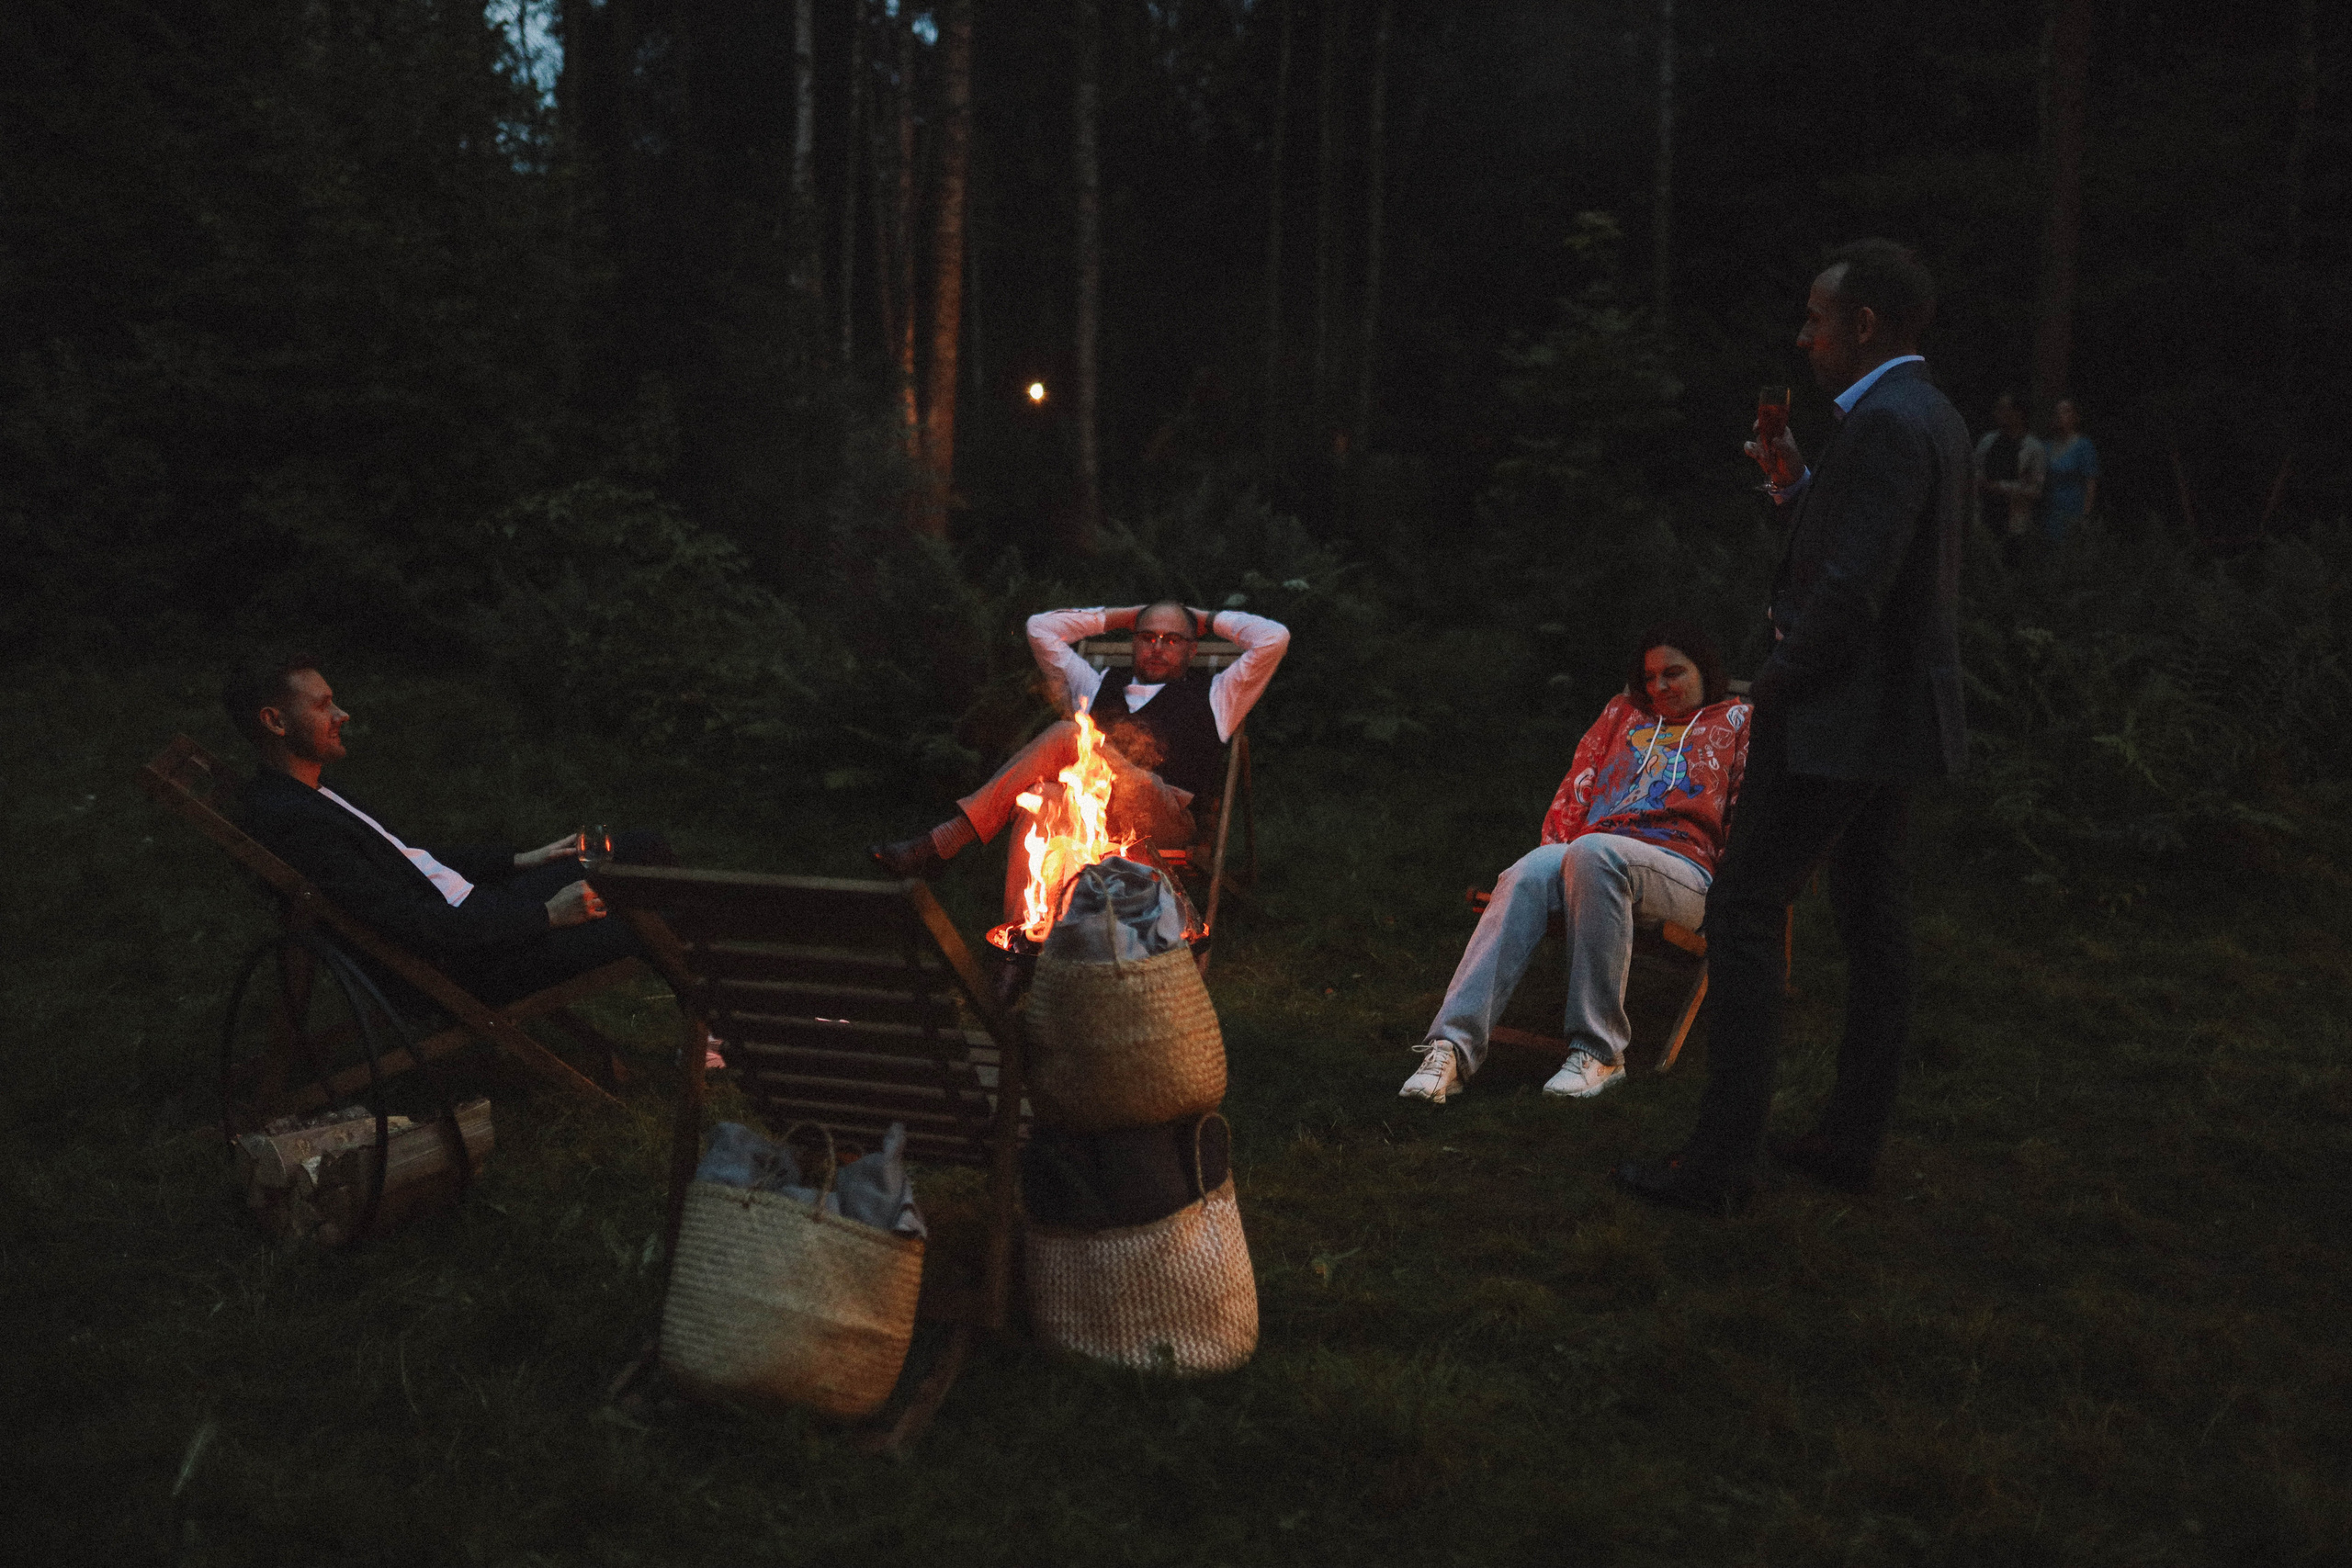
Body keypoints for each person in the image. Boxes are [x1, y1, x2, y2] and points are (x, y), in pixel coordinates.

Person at [1616, 239, 1969, 1215]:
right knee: (1870, 923)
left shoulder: (1891, 423)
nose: (1802, 337)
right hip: (1888, 716)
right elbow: (1855, 545)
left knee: (1742, 909)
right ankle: (1847, 1143)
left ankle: (1721, 1162)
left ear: (1862, 325)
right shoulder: (1919, 414)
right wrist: (1789, 484)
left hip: (1840, 715)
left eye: (1816, 319)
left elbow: (1853, 590)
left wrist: (1769, 686)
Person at [1399, 625, 1749, 1104]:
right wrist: (1554, 862)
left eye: (1674, 673)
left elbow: (1748, 812)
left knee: (1592, 851)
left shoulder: (1738, 719)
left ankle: (1599, 1051)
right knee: (1532, 868)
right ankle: (1450, 1049)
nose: (1659, 687)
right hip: (1598, 857)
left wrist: (1737, 898)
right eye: (1649, 678)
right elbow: (1579, 785)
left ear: (1704, 672)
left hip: (1685, 871)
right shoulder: (1620, 712)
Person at [222, 653, 677, 1011]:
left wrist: (520, 860)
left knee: (641, 847)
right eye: (323, 706)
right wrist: (547, 915)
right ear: (275, 721)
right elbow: (413, 926)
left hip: (480, 911)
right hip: (475, 961)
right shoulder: (295, 822)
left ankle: (712, 1029)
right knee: (665, 910)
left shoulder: (310, 791)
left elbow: (408, 859)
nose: (342, 714)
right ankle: (717, 1037)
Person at [870, 600, 1289, 917]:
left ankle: (945, 840)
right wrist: (1129, 614)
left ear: (1192, 651)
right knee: (1040, 803)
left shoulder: (1219, 695)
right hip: (1091, 814)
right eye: (1147, 637)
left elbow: (1274, 638)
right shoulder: (1097, 682)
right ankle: (1020, 947)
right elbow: (1041, 628)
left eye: (1173, 639)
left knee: (1073, 734)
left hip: (1162, 818)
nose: (1158, 647)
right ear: (1133, 642)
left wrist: (1203, 617)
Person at [1972, 390, 2046, 570]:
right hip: (1984, 518)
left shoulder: (2033, 448)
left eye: (2003, 409)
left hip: (2014, 523)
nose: (1997, 413)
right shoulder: (1988, 441)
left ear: (2018, 413)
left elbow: (2036, 490)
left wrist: (1999, 487)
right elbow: (1975, 470)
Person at [2041, 397, 2099, 546]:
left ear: (2076, 417)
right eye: (2057, 412)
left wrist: (2085, 515)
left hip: (2074, 509)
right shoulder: (2046, 447)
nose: (2060, 415)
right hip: (2051, 511)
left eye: (2066, 411)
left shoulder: (2083, 446)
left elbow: (2091, 483)